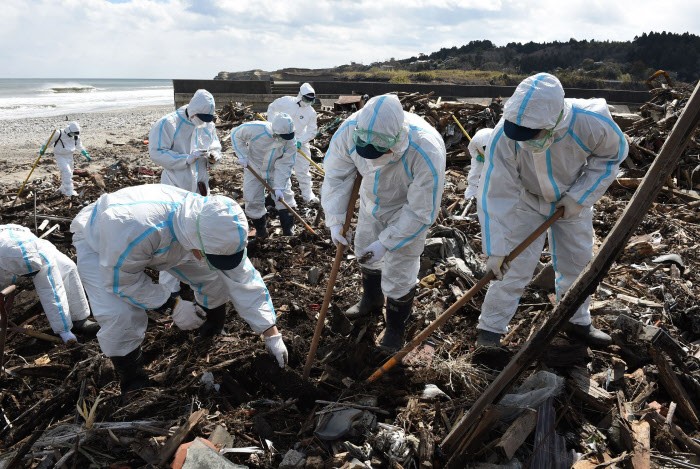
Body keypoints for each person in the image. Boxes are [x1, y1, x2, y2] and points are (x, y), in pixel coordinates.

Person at [70, 184, 288, 394]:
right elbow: (122, 280)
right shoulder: (135, 228)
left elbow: (244, 279)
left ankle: (212, 325)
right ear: (196, 242)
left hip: (164, 242)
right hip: (100, 243)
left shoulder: (218, 227)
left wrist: (271, 334)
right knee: (120, 313)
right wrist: (171, 304)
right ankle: (132, 379)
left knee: (213, 276)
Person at [476, 73, 628, 348]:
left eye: (531, 135)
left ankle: (576, 321)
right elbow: (495, 190)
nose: (523, 141)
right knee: (512, 268)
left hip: (570, 201)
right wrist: (495, 248)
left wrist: (579, 197)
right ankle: (489, 334)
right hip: (528, 200)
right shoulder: (505, 133)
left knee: (576, 262)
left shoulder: (591, 122)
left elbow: (612, 156)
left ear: (553, 122)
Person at [321, 94, 446, 352]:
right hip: (371, 199)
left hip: (406, 209)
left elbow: (421, 211)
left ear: (396, 140)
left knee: (401, 266)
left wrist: (389, 242)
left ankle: (395, 330)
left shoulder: (425, 149)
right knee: (366, 249)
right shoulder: (349, 131)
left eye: (379, 151)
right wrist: (334, 219)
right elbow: (337, 176)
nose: (371, 156)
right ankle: (372, 299)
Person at [149, 89, 223, 294]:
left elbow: (216, 145)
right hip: (176, 184)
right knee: (172, 233)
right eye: (202, 118)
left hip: (199, 184)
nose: (204, 122)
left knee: (197, 228)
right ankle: (169, 287)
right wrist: (185, 159)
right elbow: (156, 152)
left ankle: (193, 275)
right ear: (192, 112)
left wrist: (214, 156)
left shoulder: (207, 124)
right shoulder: (168, 124)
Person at [0, 224, 99, 343]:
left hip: (34, 246)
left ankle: (80, 319)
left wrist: (64, 331)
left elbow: (52, 290)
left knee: (68, 267)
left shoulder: (40, 255)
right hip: (5, 257)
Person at [230, 113, 297, 237]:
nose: (286, 139)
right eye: (282, 136)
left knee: (285, 197)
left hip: (274, 170)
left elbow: (285, 164)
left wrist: (279, 186)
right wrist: (242, 155)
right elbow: (236, 134)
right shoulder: (256, 129)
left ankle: (288, 232)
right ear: (275, 132)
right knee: (252, 198)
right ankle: (261, 232)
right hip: (254, 167)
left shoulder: (290, 141)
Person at [267, 83, 319, 204]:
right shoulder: (286, 101)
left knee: (303, 169)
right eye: (306, 99)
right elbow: (272, 108)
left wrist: (301, 141)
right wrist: (273, 126)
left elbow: (312, 130)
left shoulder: (311, 112)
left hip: (299, 140)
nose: (308, 102)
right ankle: (283, 195)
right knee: (279, 166)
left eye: (311, 100)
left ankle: (308, 195)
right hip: (281, 139)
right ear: (300, 95)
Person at [38, 121, 91, 197]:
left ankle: (63, 188)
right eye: (73, 133)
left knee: (70, 172)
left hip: (69, 156)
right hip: (60, 156)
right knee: (67, 172)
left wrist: (85, 153)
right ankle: (69, 191)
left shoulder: (75, 136)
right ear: (69, 130)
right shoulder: (58, 133)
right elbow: (49, 141)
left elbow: (79, 145)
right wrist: (43, 148)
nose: (73, 135)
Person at [463, 128, 493, 200]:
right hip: (479, 155)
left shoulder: (495, 138)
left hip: (494, 156)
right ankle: (471, 193)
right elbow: (471, 149)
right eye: (485, 147)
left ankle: (490, 189)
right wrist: (477, 157)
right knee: (475, 172)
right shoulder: (476, 140)